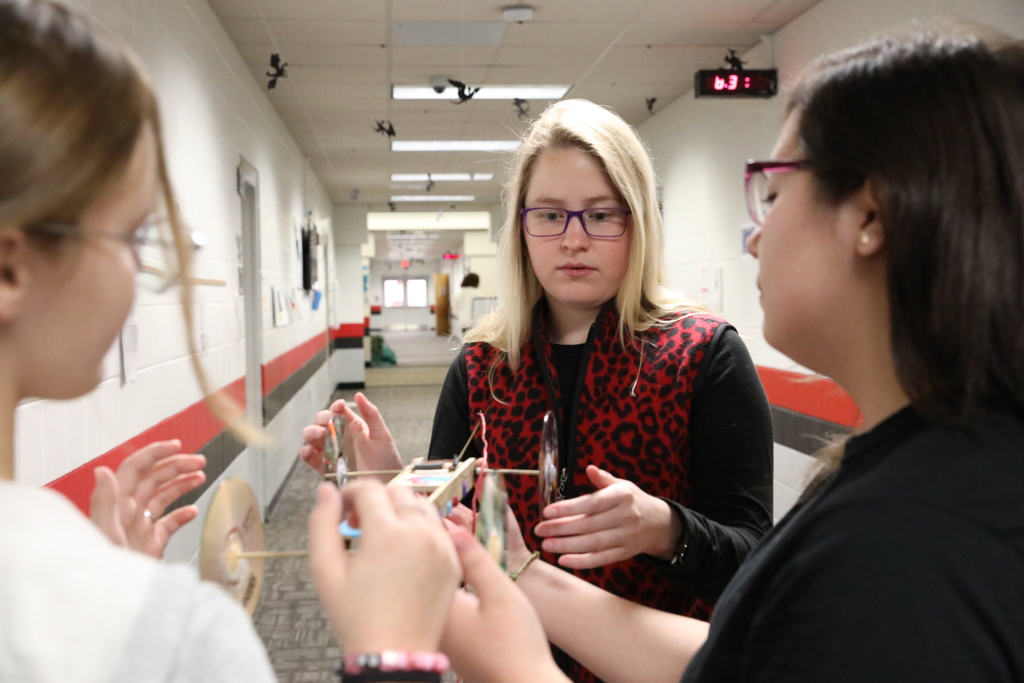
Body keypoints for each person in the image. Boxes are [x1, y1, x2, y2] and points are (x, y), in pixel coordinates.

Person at [346, 27, 1024, 683]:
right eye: (548, 214)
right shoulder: (908, 476)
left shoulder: (914, 528)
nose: (754, 237)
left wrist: (668, 531)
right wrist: (408, 501)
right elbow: (727, 659)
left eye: (776, 191)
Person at [0, 3, 461, 681]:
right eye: (129, 237)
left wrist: (102, 583)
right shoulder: (180, 634)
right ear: (11, 267)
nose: (140, 276)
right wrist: (393, 651)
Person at [302, 99, 774, 681]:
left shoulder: (704, 357)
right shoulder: (483, 367)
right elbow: (450, 547)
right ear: (521, 226)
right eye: (549, 215)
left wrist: (664, 529)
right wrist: (390, 483)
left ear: (640, 223)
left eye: (602, 215)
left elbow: (756, 565)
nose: (573, 240)